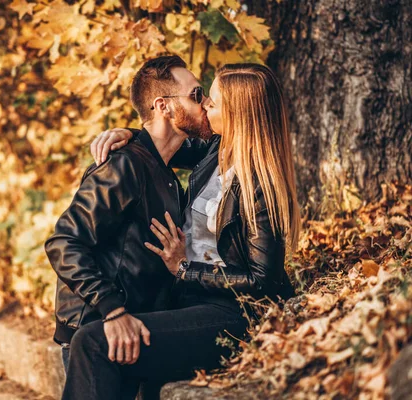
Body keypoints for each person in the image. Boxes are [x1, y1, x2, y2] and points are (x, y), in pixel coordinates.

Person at [63, 63, 300, 400]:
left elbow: (264, 281)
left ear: (239, 115)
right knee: (108, 333)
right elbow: (165, 139)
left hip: (231, 314)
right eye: (202, 98)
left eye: (213, 103)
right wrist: (127, 132)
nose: (204, 106)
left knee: (94, 342)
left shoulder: (260, 183)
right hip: (186, 302)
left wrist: (185, 269)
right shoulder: (214, 152)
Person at [44, 55, 214, 399]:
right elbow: (64, 242)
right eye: (196, 95)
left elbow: (219, 139)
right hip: (98, 329)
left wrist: (134, 131)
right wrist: (113, 309)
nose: (206, 103)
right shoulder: (123, 165)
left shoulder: (163, 168)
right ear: (163, 106)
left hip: (135, 330)